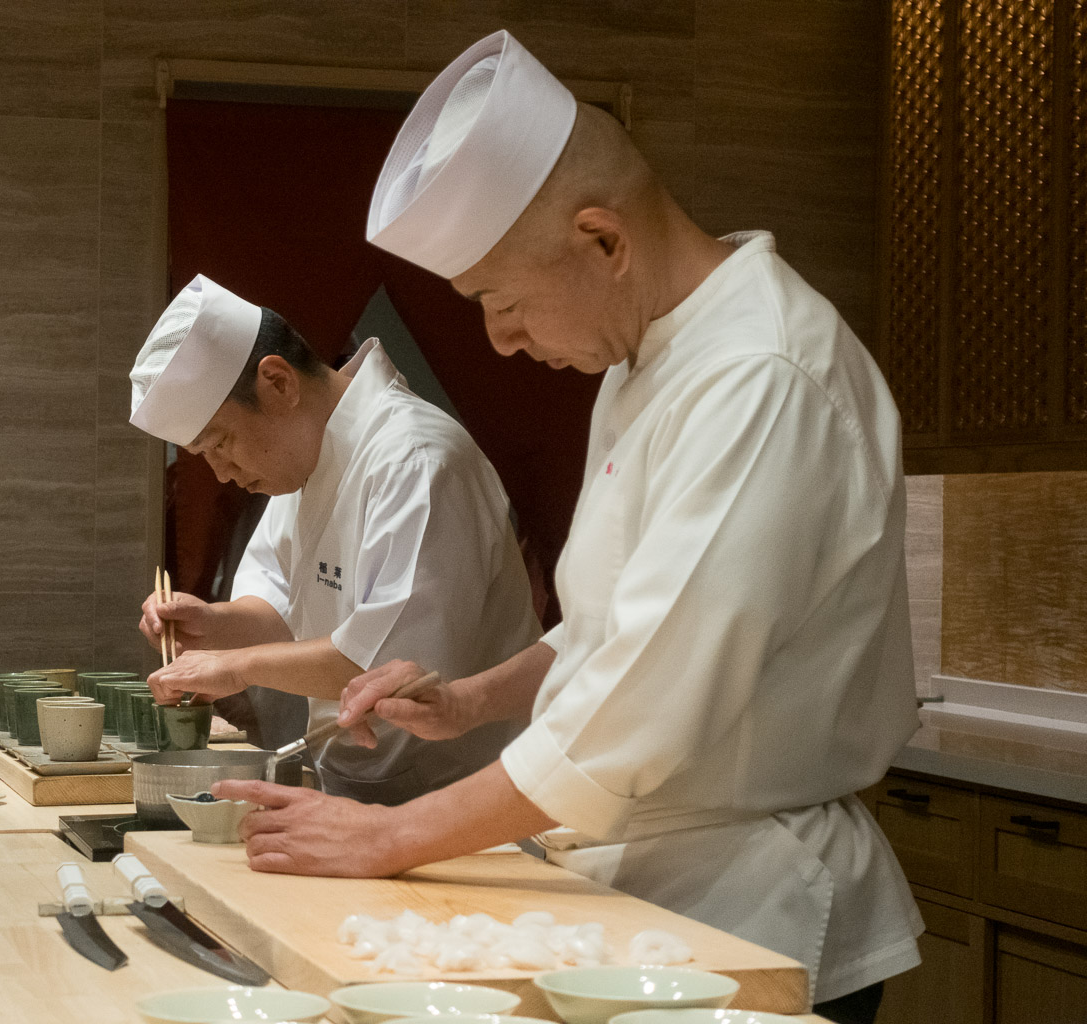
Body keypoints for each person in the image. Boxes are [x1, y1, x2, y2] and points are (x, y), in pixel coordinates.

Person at [213, 31, 922, 1024]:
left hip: (757, 909)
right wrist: (473, 699)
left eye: (500, 302)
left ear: (601, 240)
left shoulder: (761, 373)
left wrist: (391, 833)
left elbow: (644, 703)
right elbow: (612, 623)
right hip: (639, 893)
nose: (499, 340)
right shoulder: (643, 362)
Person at [130, 274, 540, 804]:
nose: (222, 473)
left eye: (222, 443)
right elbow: (282, 607)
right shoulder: (301, 462)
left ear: (278, 383)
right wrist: (215, 626)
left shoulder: (415, 459)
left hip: (461, 794)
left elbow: (386, 667)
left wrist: (232, 665)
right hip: (358, 788)